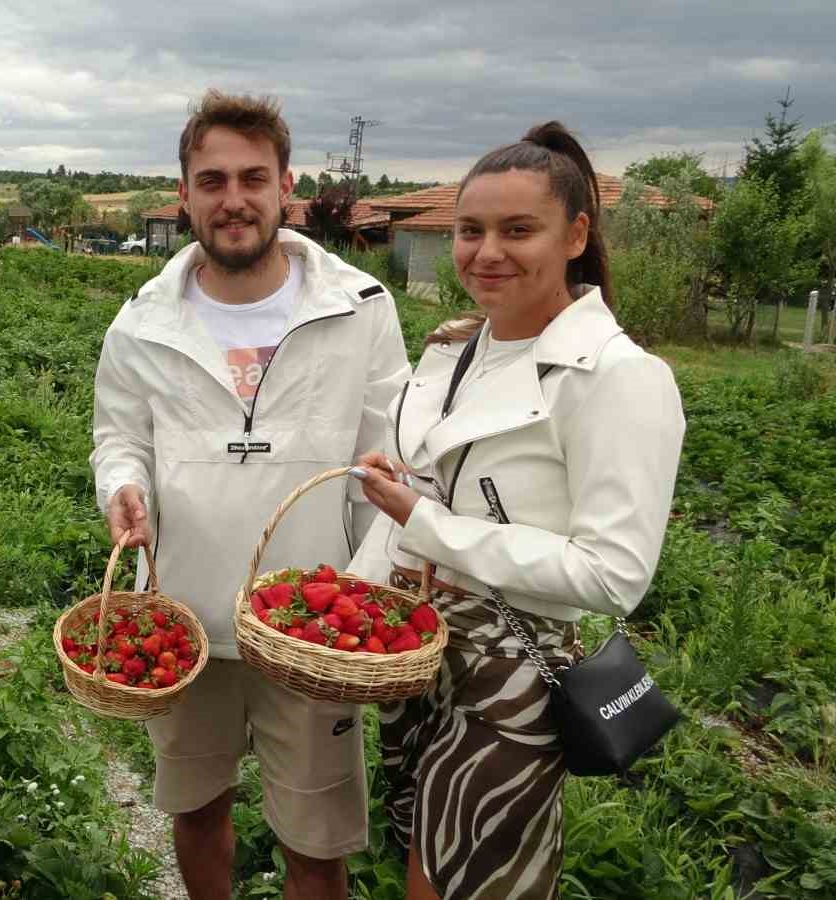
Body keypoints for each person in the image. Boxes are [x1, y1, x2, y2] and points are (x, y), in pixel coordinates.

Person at [347, 122, 686, 899]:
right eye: (470, 230)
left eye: (517, 229)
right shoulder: (457, 348)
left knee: (468, 880)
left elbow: (612, 575)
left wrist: (424, 523)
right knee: (420, 860)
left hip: (512, 667)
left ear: (575, 235)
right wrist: (359, 598)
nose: (485, 251)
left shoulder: (619, 378)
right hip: (418, 647)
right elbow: (432, 491)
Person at [90, 89, 411, 900]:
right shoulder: (142, 322)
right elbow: (119, 437)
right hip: (185, 619)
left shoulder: (357, 309)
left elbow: (390, 461)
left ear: (285, 187)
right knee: (196, 812)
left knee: (316, 841)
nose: (233, 200)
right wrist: (122, 487)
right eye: (212, 180)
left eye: (252, 178)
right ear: (185, 194)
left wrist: (369, 590)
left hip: (311, 623)